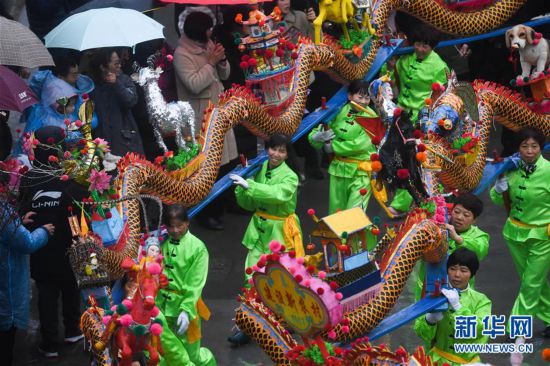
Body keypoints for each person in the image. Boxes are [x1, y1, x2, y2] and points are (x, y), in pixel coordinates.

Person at [18, 126, 88, 358]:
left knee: (46, 295)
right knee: (70, 287)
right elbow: (84, 211)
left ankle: (49, 343)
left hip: (41, 247)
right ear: (60, 150)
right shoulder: (73, 177)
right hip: (70, 244)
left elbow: (22, 211)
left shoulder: (28, 178)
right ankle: (72, 330)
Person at [228, 134, 303, 345]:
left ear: (288, 154)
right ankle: (248, 325)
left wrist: (250, 186)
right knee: (250, 277)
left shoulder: (290, 176)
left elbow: (277, 194)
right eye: (273, 149)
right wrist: (242, 189)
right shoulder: (259, 169)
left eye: (282, 151)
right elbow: (248, 205)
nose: (276, 154)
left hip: (280, 234)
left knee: (281, 280)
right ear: (266, 148)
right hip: (258, 231)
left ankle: (287, 320)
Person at [174, 10, 238, 230]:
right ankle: (207, 212)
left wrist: (222, 60)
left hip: (218, 109)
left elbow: (225, 75)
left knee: (226, 162)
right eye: (209, 28)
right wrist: (210, 62)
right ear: (199, 31)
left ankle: (227, 204)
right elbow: (193, 84)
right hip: (200, 117)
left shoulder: (209, 43)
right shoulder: (182, 53)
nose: (212, 31)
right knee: (206, 168)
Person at [490, 127, 550, 360]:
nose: (529, 151)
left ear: (541, 147)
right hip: (514, 234)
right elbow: (497, 199)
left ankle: (517, 331)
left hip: (542, 236)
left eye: (534, 146)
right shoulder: (510, 170)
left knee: (530, 283)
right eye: (524, 146)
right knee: (532, 281)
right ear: (518, 148)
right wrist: (498, 188)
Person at [0, 126, 55, 366]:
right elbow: (26, 242)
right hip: (7, 290)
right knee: (7, 347)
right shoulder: (2, 211)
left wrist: (17, 221)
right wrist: (44, 231)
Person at [156, 204, 216, 366]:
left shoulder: (197, 248)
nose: (175, 230)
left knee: (192, 356)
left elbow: (195, 283)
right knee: (165, 355)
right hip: (161, 307)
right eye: (171, 226)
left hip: (184, 307)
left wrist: (186, 311)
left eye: (179, 226)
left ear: (187, 223)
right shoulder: (160, 244)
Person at [308, 80, 380, 214]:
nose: (363, 101)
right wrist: (316, 137)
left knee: (354, 216)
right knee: (336, 214)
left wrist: (333, 147)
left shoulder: (373, 118)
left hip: (360, 172)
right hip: (338, 170)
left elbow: (361, 144)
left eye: (367, 97)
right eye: (360, 97)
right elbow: (318, 131)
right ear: (350, 96)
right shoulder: (337, 110)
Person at [414, 248, 492, 365]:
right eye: (452, 269)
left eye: (464, 270)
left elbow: (479, 329)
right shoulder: (435, 295)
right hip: (437, 361)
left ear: (472, 273)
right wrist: (430, 320)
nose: (457, 275)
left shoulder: (481, 301)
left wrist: (458, 306)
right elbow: (421, 332)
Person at [416, 193, 489, 299]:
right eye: (457, 212)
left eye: (466, 215)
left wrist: (457, 238)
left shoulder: (480, 236)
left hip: (458, 290)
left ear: (474, 220)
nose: (459, 217)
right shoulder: (436, 224)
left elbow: (479, 250)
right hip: (428, 285)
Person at [89, 48, 145, 157]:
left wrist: (116, 84)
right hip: (104, 141)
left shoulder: (124, 80)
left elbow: (131, 101)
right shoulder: (93, 86)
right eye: (116, 63)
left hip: (126, 139)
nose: (119, 66)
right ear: (103, 66)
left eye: (119, 63)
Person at [392, 24, 449, 122]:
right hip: (399, 112)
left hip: (420, 117)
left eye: (424, 46)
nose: (419, 49)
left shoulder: (439, 67)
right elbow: (393, 78)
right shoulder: (406, 58)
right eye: (417, 44)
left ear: (433, 47)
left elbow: (441, 97)